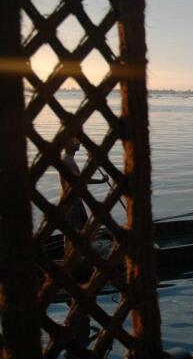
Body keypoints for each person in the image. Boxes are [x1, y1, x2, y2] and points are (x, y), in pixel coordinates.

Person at [59, 137, 108, 358]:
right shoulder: (67, 160)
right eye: (76, 142)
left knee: (77, 235)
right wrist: (99, 179)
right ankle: (75, 264)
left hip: (73, 201)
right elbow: (80, 181)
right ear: (70, 145)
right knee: (76, 235)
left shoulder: (68, 159)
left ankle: (75, 260)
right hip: (72, 202)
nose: (79, 144)